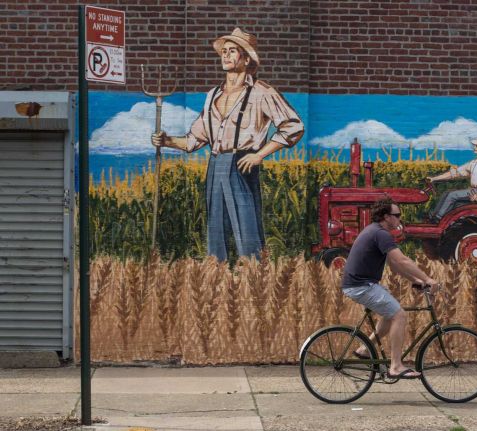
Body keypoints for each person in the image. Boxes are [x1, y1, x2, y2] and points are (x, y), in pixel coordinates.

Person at [152, 28, 304, 261]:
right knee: (215, 228)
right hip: (215, 163)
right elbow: (195, 139)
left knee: (246, 226)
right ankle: (218, 275)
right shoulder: (213, 94)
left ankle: (253, 275)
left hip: (242, 163)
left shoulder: (261, 92)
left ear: (246, 58)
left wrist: (259, 155)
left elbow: (293, 126)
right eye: (224, 51)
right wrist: (167, 140)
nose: (226, 55)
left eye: (232, 51)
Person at [341, 198, 439, 380]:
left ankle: (365, 348)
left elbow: (396, 266)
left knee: (390, 313)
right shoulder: (381, 234)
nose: (400, 219)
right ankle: (395, 366)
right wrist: (428, 279)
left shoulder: (376, 232)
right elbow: (402, 260)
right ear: (386, 217)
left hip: (361, 284)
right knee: (399, 315)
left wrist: (417, 280)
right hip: (361, 286)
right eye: (397, 215)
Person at [427, 136, 477, 221]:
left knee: (452, 195)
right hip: (473, 191)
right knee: (446, 194)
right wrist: (434, 179)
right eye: (474, 146)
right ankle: (434, 216)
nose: (474, 148)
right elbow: (455, 173)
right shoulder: (474, 162)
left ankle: (438, 219)